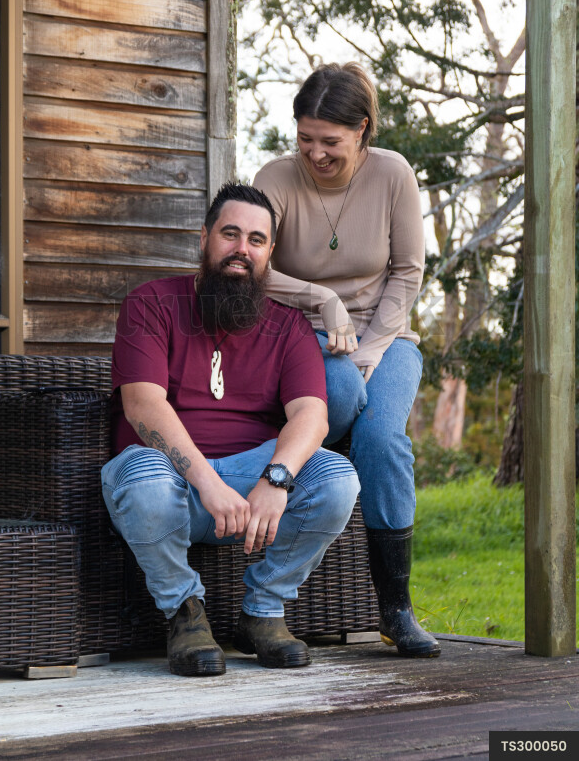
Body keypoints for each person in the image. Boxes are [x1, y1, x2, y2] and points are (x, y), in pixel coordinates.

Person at [101, 182, 360, 677]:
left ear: (269, 253)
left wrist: (277, 479)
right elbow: (142, 405)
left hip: (252, 479)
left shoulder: (288, 326)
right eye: (231, 234)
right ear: (204, 238)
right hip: (166, 480)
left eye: (257, 240)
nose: (242, 249)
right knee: (143, 479)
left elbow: (311, 415)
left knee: (335, 478)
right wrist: (208, 483)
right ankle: (185, 614)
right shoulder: (152, 303)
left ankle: (263, 612)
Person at [253, 63, 440, 658]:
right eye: (305, 138)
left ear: (362, 130)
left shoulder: (393, 174)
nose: (315, 153)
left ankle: (396, 609)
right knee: (336, 393)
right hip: (298, 332)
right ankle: (313, 473)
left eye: (329, 142)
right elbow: (257, 265)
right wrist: (322, 298)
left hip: (386, 338)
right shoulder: (276, 178)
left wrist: (370, 350)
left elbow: (408, 271)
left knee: (383, 437)